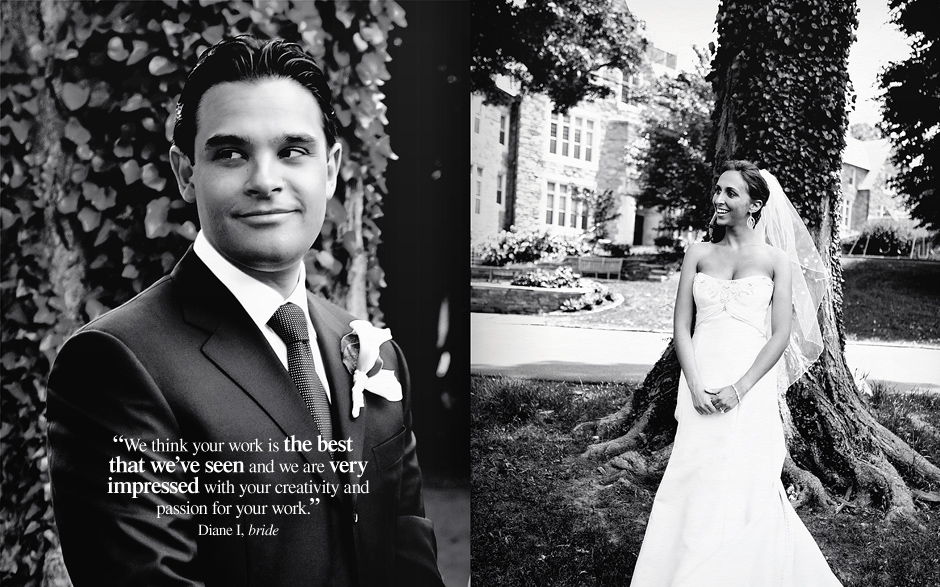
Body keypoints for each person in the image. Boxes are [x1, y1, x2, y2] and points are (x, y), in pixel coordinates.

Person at [46, 35, 444, 587]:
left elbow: (409, 560)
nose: (264, 180)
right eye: (231, 153)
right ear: (186, 174)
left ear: (329, 170)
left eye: (292, 151)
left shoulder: (374, 353)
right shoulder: (115, 364)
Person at [629, 160, 841, 586]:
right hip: (700, 381)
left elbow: (780, 334)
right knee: (694, 474)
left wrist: (740, 389)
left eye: (731, 193)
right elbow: (681, 328)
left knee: (746, 477)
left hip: (750, 385)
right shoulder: (699, 253)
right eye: (718, 191)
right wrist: (694, 384)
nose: (719, 200)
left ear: (755, 204)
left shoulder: (777, 261)